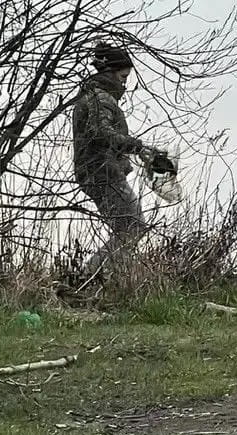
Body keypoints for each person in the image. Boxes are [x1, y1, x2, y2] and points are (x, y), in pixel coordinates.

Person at [71, 43, 172, 276]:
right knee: (132, 227)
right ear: (110, 73)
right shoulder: (101, 99)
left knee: (127, 229)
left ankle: (99, 277)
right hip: (104, 172)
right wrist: (135, 146)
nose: (125, 82)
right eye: (123, 76)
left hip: (98, 171)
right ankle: (91, 277)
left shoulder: (91, 97)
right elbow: (100, 132)